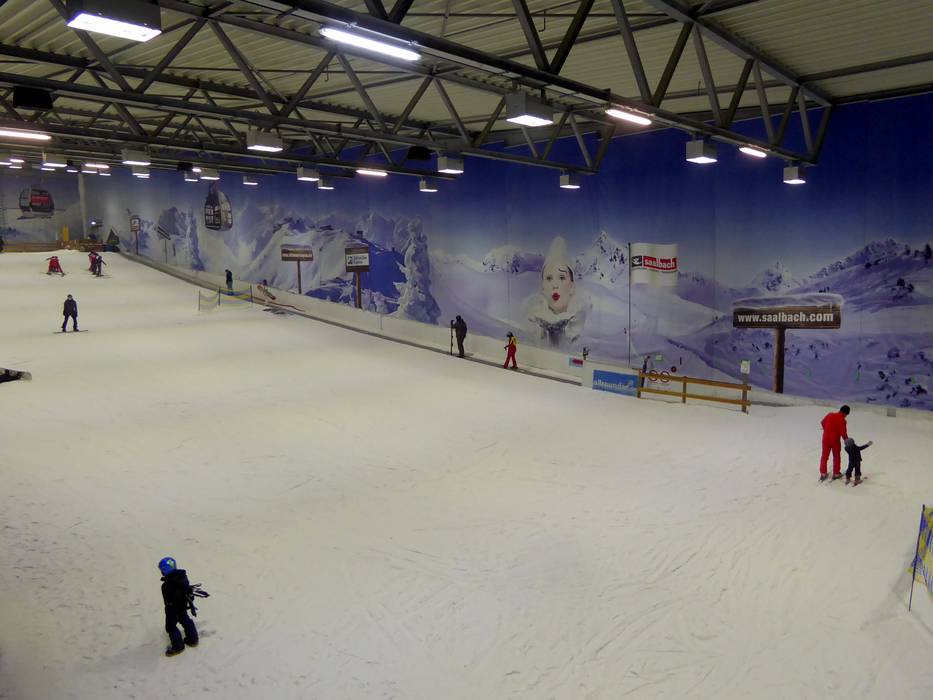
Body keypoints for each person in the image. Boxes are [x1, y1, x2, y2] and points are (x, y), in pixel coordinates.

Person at [526, 237, 586, 348]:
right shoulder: (534, 320)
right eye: (549, 278)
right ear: (542, 287)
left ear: (572, 286)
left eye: (562, 278)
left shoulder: (579, 324)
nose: (555, 285)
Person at [158, 557, 199, 657]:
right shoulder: (182, 577)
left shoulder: (166, 585)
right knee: (185, 620)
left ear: (165, 570)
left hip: (172, 608)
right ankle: (193, 639)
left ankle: (178, 646)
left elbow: (169, 597)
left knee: (171, 627)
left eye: (162, 570)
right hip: (182, 605)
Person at [819, 405, 850, 481]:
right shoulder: (842, 420)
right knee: (836, 456)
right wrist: (847, 441)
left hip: (825, 439)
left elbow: (822, 422)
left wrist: (827, 430)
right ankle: (836, 473)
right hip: (835, 441)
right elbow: (843, 433)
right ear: (846, 413)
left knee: (824, 456)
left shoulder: (830, 414)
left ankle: (823, 473)